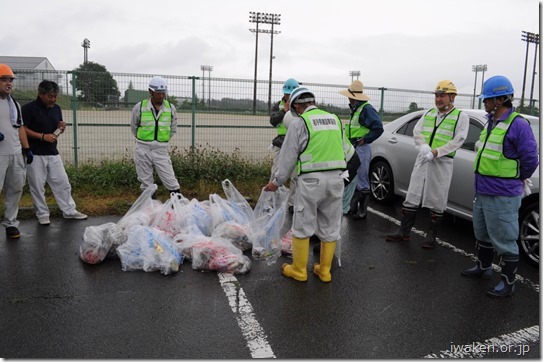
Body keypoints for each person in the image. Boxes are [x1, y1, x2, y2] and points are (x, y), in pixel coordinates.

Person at [264, 86, 354, 283]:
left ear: (296, 105)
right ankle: (324, 271)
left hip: (311, 182)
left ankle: (299, 270)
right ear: (313, 102)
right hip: (336, 180)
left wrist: (276, 182)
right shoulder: (334, 119)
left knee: (303, 226)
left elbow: (287, 158)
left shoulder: (299, 123)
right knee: (330, 227)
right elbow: (349, 151)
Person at [461, 75, 538, 298]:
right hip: (483, 191)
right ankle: (484, 267)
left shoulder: (518, 125)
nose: (484, 103)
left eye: (487, 99)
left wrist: (518, 178)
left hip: (503, 194)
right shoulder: (491, 122)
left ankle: (508, 282)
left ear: (500, 99)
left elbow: (531, 159)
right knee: (482, 232)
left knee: (505, 238)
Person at [385, 80, 469, 248]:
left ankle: (431, 236)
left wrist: (436, 152)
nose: (438, 99)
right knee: (412, 194)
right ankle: (404, 232)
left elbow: (458, 140)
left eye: (442, 96)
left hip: (442, 162)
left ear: (452, 97)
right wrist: (423, 145)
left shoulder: (461, 117)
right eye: (437, 96)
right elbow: (417, 131)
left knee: (437, 198)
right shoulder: (429, 113)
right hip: (423, 159)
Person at [22, 80, 87, 225]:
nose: (53, 99)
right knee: (37, 186)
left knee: (62, 182)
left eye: (55, 96)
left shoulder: (56, 108)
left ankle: (69, 211)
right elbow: (22, 129)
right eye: (50, 96)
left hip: (53, 152)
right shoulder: (28, 109)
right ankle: (42, 214)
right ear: (40, 94)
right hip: (34, 153)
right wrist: (42, 136)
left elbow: (57, 129)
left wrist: (60, 129)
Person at [339, 80, 383, 219]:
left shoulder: (366, 109)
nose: (348, 98)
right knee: (354, 176)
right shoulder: (357, 108)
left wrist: (365, 139)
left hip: (362, 147)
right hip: (355, 147)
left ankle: (362, 211)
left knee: (362, 177)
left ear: (353, 96)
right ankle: (354, 206)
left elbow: (378, 127)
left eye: (349, 95)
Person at [131, 76, 181, 197]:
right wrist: (144, 140)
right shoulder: (140, 107)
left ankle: (178, 205)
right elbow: (134, 127)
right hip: (143, 148)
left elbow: (173, 128)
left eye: (163, 93)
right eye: (158, 93)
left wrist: (162, 140)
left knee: (170, 179)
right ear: (150, 92)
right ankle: (151, 208)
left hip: (161, 149)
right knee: (146, 181)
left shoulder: (171, 108)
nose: (161, 96)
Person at [0, 64, 34, 239]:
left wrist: (27, 149)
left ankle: (11, 223)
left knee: (15, 189)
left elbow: (20, 128)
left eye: (10, 80)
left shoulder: (14, 104)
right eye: (4, 79)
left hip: (15, 153)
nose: (8, 83)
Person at [269, 78, 299, 213]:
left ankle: (292, 203)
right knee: (275, 173)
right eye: (287, 94)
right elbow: (273, 121)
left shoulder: (300, 106)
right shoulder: (278, 105)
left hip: (295, 145)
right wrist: (284, 111)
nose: (289, 96)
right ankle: (270, 201)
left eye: (291, 94)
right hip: (280, 144)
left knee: (295, 176)